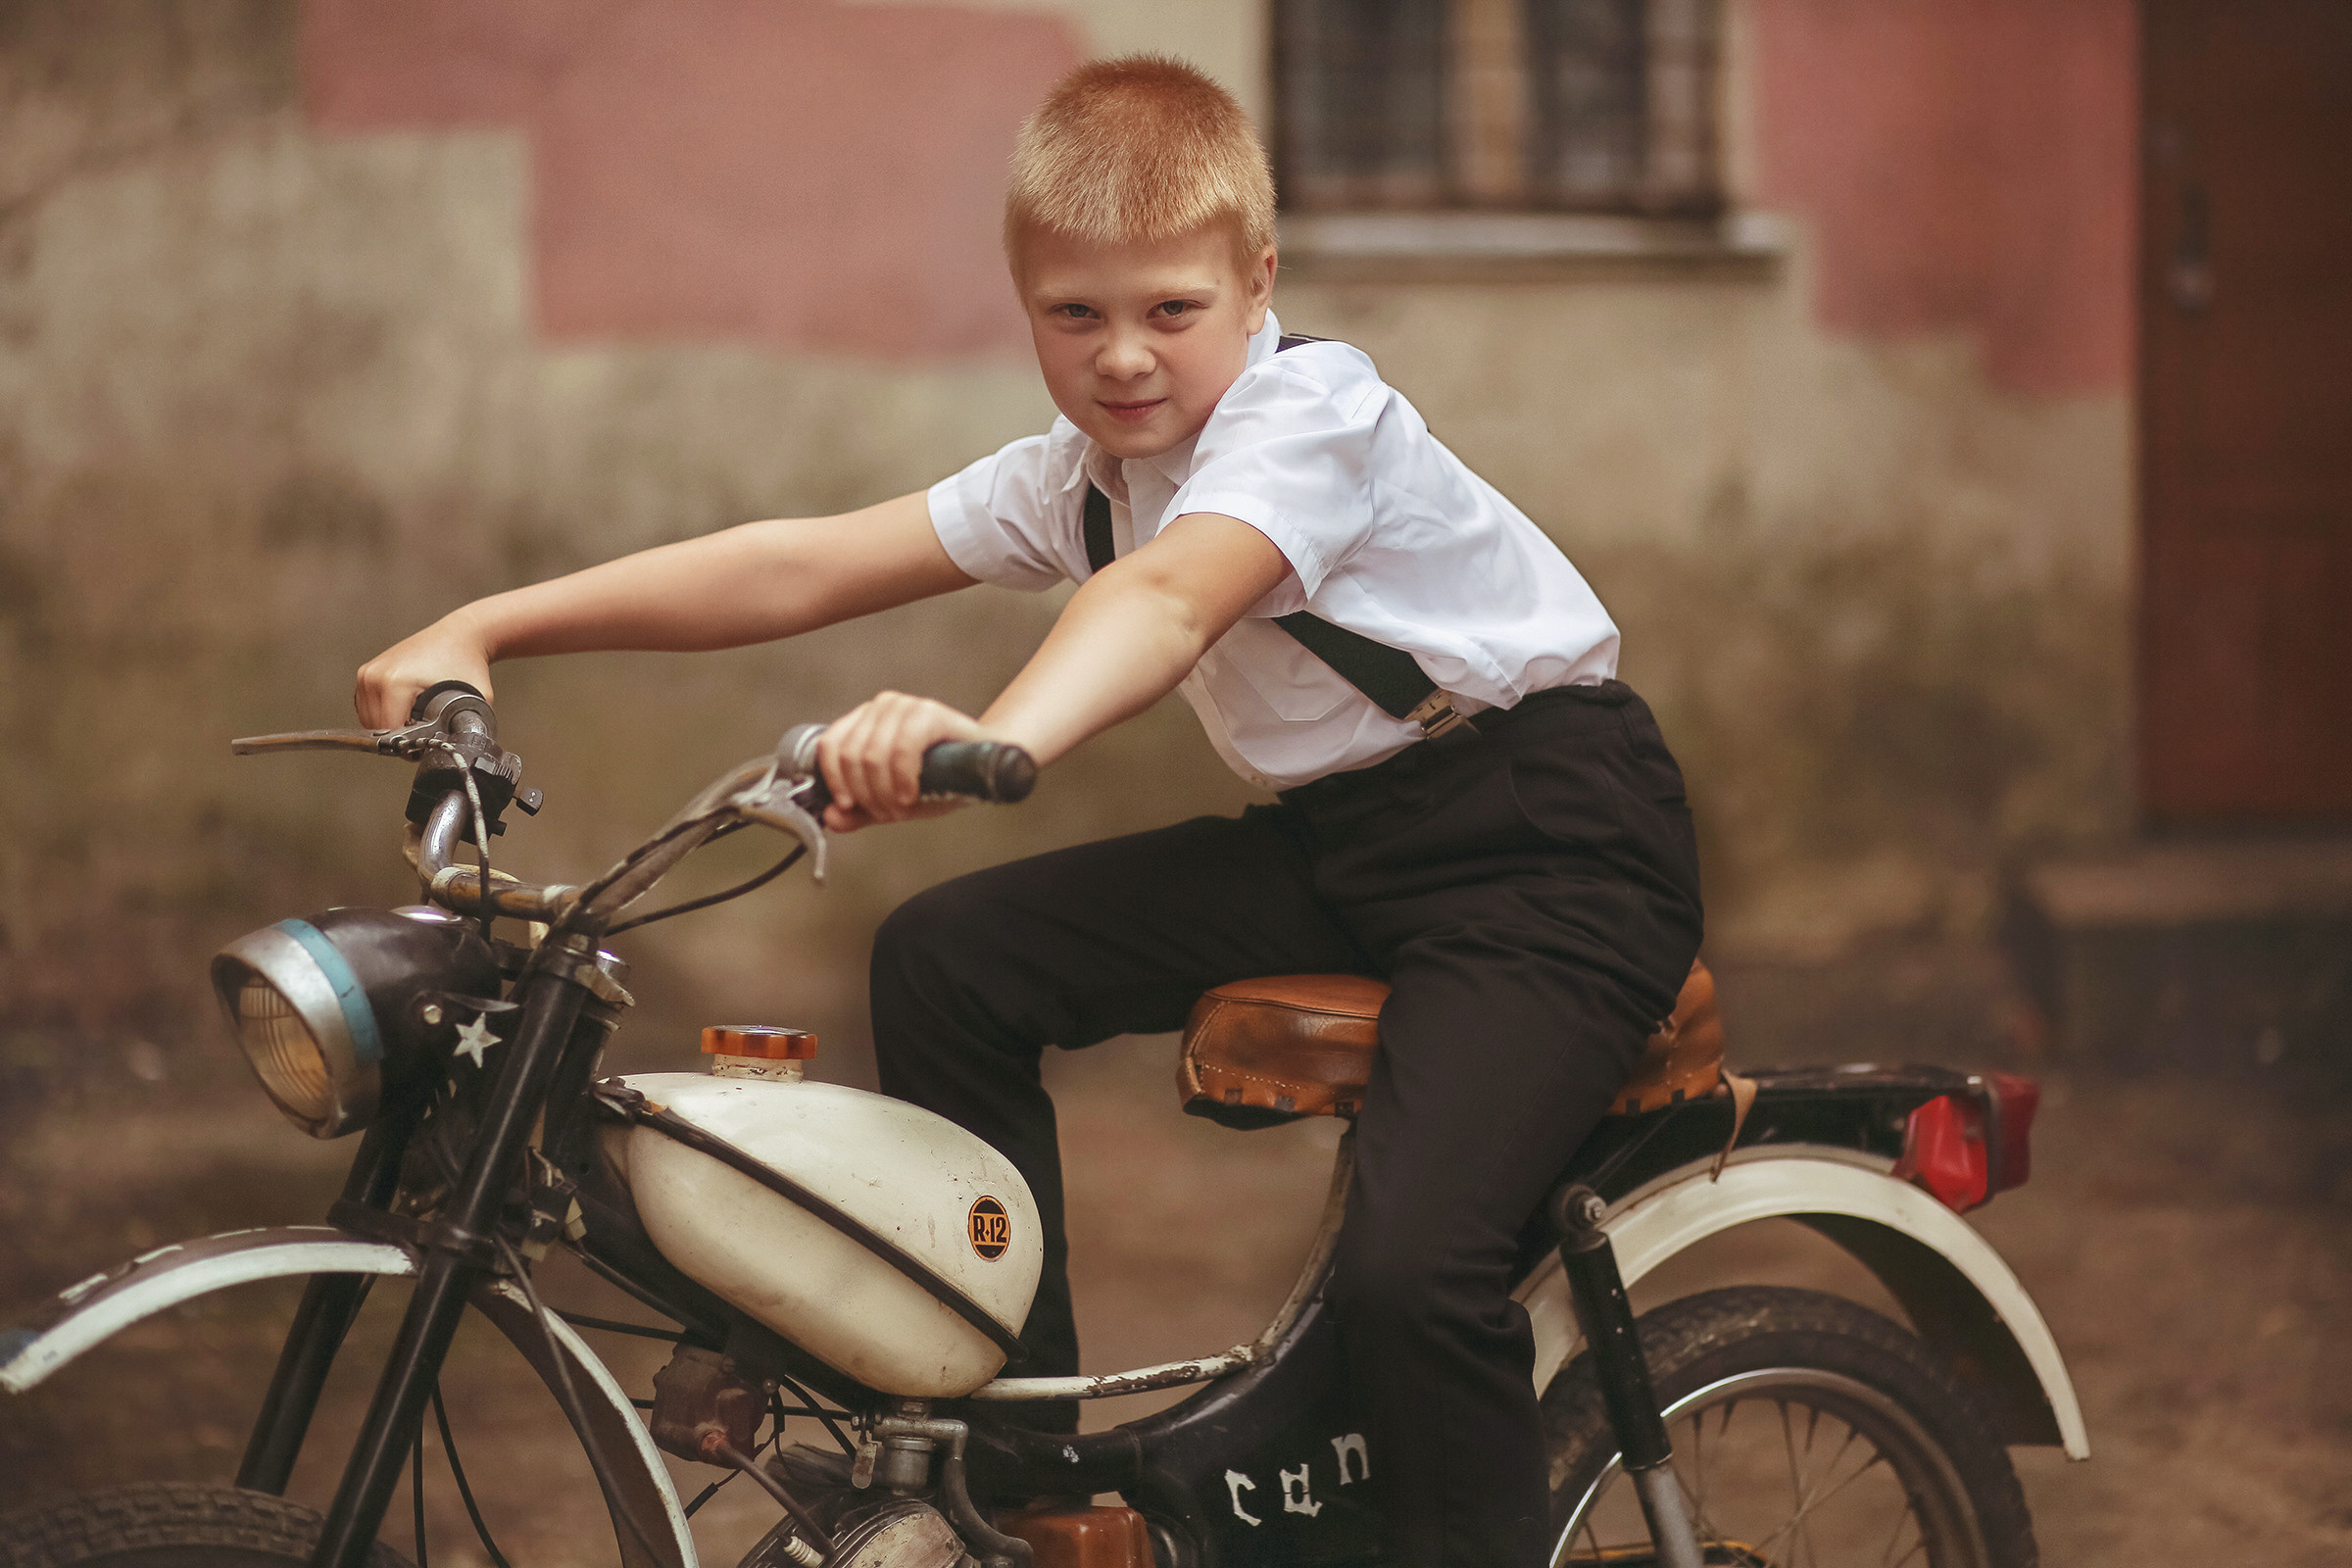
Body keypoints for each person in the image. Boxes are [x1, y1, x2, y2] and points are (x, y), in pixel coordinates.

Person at [357, 54, 1700, 1568]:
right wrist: (486, 625)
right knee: (949, 957)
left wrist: (993, 739)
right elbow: (799, 563)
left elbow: (1175, 595)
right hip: (1346, 848)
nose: (1124, 358)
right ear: (1028, 306)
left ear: (1257, 284)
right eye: (1077, 315)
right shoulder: (1082, 476)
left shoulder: (1314, 416)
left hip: (1555, 850)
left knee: (1415, 1277)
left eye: (1170, 312)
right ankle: (1025, 1471)